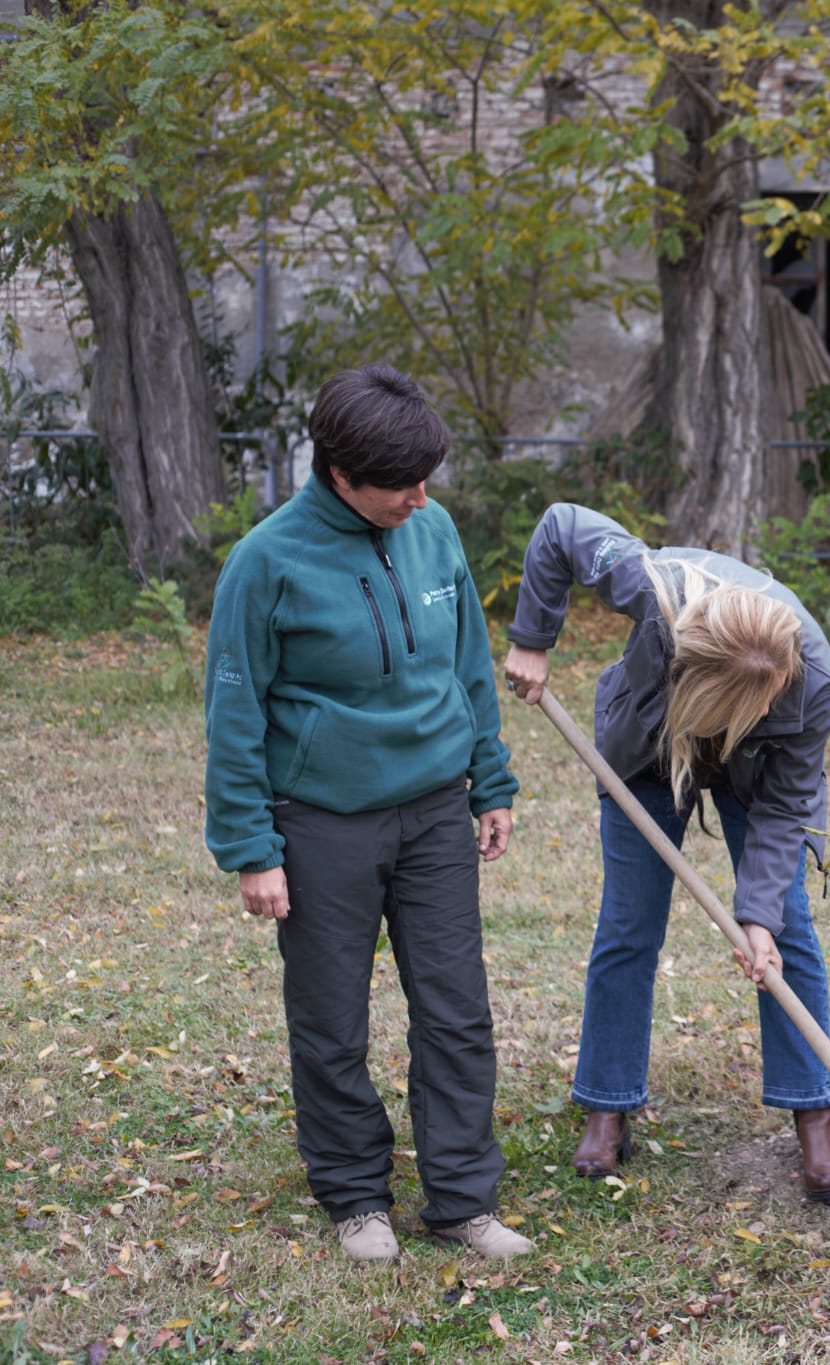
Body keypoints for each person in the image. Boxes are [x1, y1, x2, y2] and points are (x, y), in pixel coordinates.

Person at [203, 365, 531, 1261]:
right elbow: (234, 712)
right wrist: (251, 848)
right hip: (320, 824)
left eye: (429, 479)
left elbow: (468, 666)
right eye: (400, 484)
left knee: (457, 1009)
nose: (420, 499)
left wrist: (489, 780)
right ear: (339, 473)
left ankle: (463, 1201)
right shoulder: (265, 561)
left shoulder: (434, 530)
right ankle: (356, 1197)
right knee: (330, 1016)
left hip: (433, 813)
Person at [501, 505, 830, 1202]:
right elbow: (560, 526)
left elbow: (785, 808)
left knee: (786, 926)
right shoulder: (654, 589)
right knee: (629, 924)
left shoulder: (814, 682)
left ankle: (812, 1107)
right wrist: (532, 639)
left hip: (759, 772)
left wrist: (755, 920)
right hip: (653, 749)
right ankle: (608, 1101)